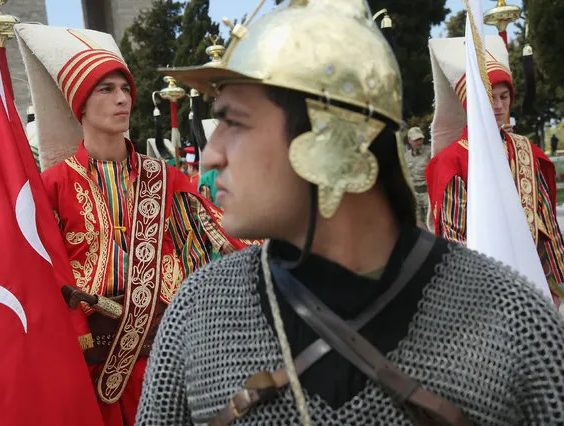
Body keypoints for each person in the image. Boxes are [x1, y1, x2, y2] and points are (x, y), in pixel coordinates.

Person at [136, 1, 564, 425]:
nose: (210, 155)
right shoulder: (199, 313)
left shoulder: (512, 321)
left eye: (235, 122)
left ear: (328, 137)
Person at [15, 23, 249, 425]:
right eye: (106, 90)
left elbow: (219, 239)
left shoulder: (166, 177)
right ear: (81, 105)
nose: (122, 99)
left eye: (125, 89)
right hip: (92, 364)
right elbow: (40, 274)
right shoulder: (51, 187)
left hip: (166, 356)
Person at [425, 35, 564, 305]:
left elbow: (545, 217)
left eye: (504, 96)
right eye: (490, 98)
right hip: (482, 290)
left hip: (534, 281)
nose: (499, 106)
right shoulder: (451, 161)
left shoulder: (526, 150)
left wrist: (554, 281)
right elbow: (456, 237)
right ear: (473, 103)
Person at [404, 126, 431, 228]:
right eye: (416, 140)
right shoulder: (406, 157)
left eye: (420, 139)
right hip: (415, 196)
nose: (419, 142)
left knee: (432, 224)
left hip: (428, 194)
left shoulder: (429, 153)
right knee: (419, 226)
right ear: (410, 141)